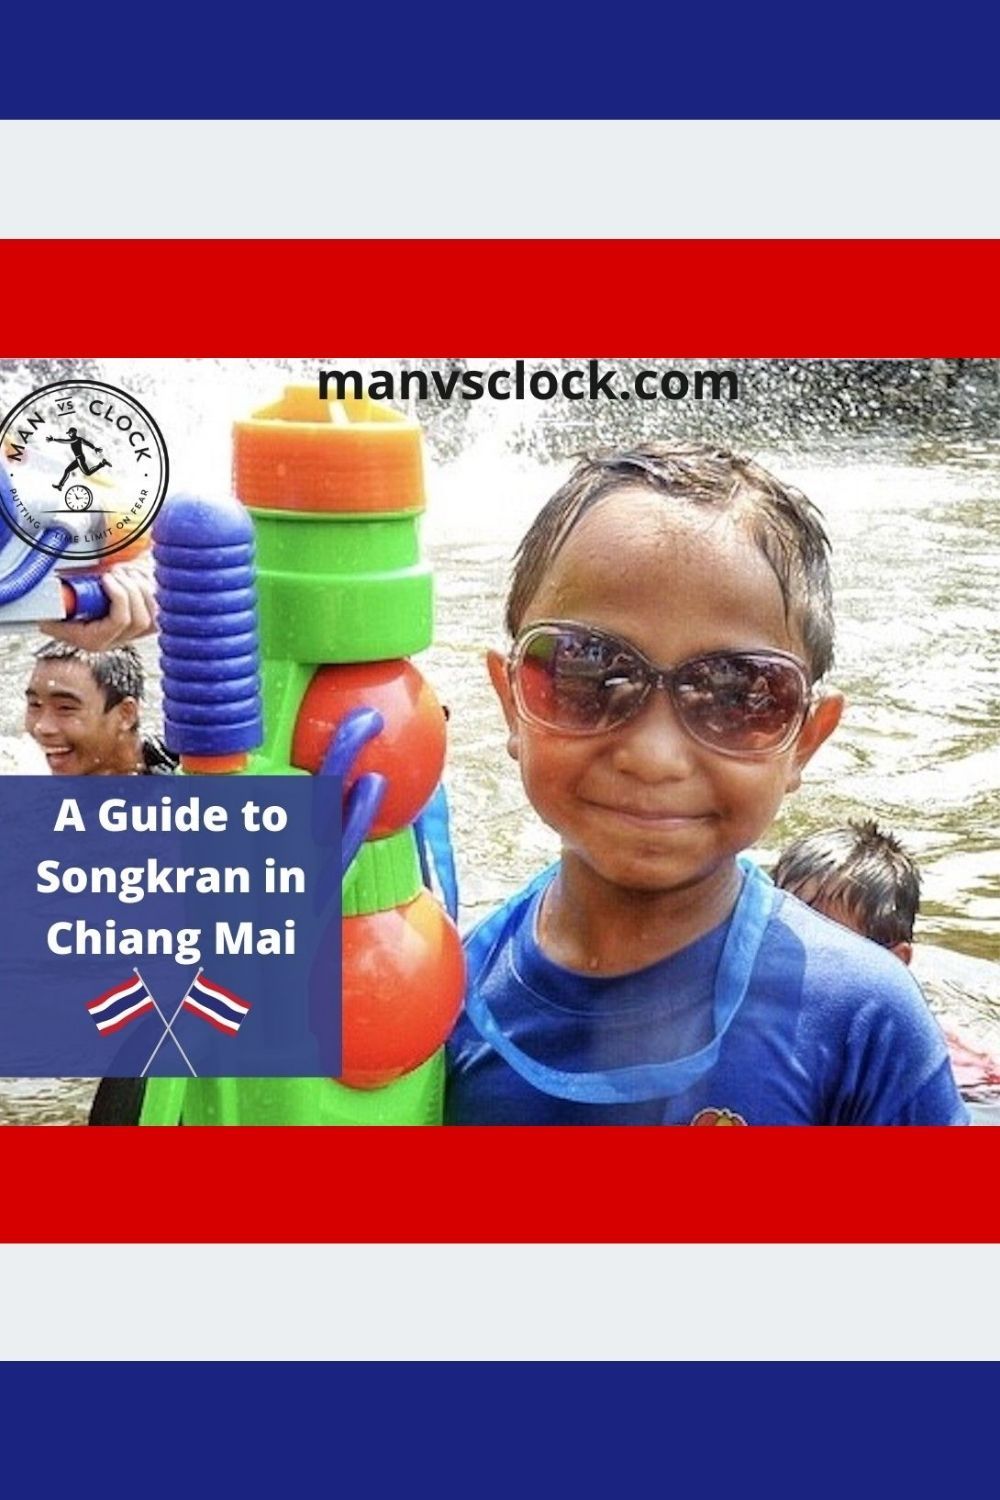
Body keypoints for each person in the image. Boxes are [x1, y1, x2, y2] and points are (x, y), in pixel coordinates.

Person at [446, 443, 968, 1124]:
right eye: (586, 670)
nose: (655, 754)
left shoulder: (863, 1023)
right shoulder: (438, 998)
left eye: (740, 694)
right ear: (512, 700)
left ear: (805, 741)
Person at [773, 819, 1000, 1116]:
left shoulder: (945, 1066)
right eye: (784, 933)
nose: (800, 960)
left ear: (895, 963)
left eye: (829, 948)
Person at [24, 640, 178, 776]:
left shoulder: (184, 762)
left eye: (65, 708)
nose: (41, 727)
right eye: (34, 705)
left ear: (125, 714)